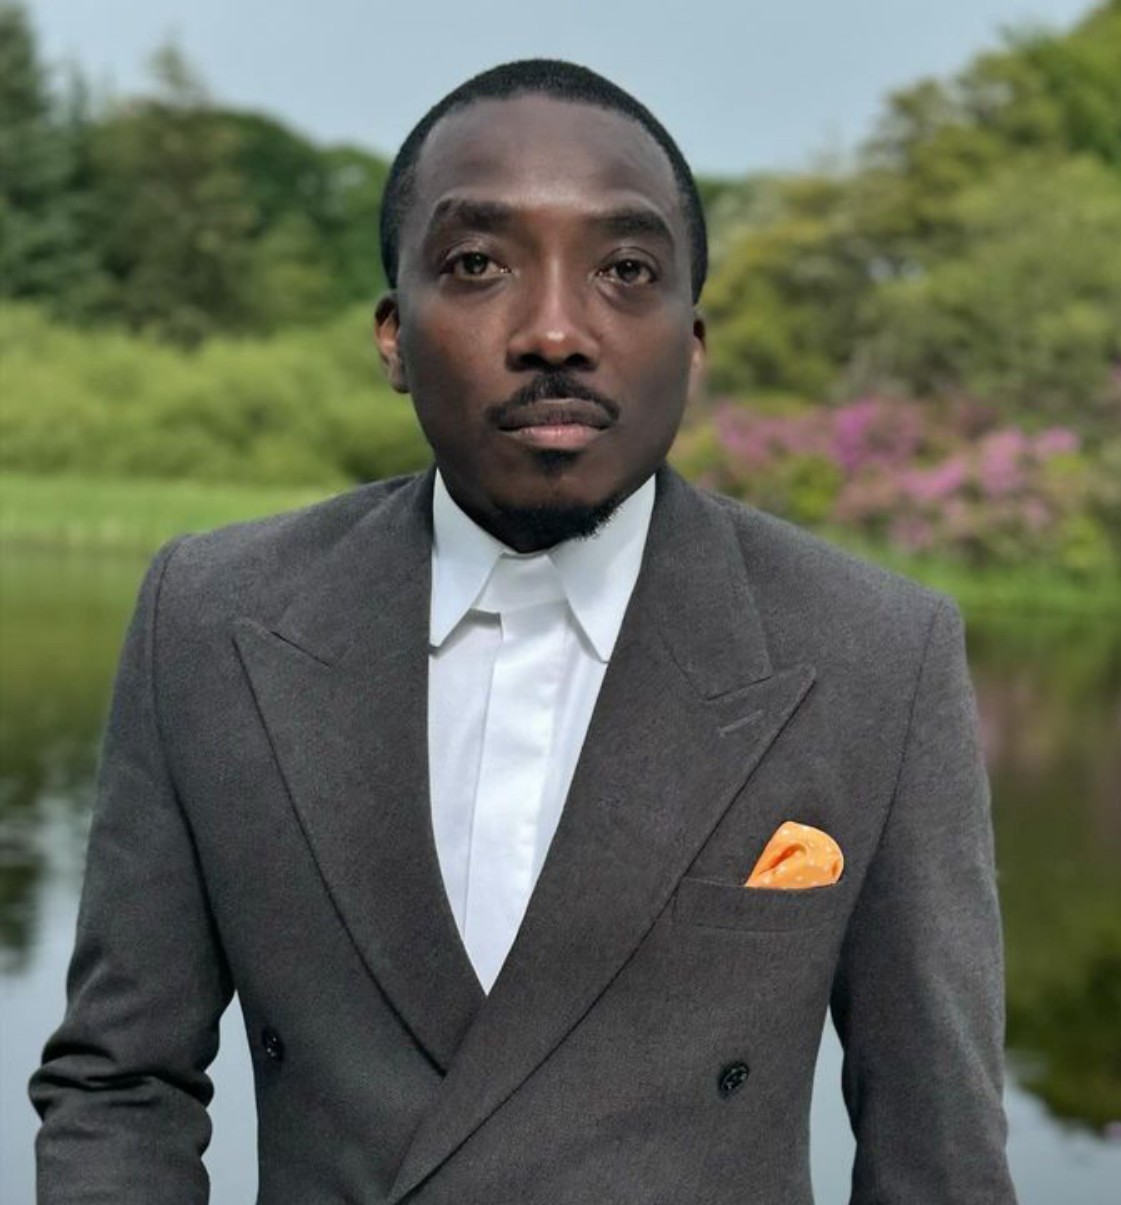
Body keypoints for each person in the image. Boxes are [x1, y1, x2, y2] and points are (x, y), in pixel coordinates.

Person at [31, 60, 1017, 1204]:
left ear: (693, 345)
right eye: (478, 264)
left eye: (626, 270)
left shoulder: (874, 654)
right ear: (394, 336)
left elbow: (938, 1152)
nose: (556, 330)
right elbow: (121, 1086)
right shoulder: (210, 617)